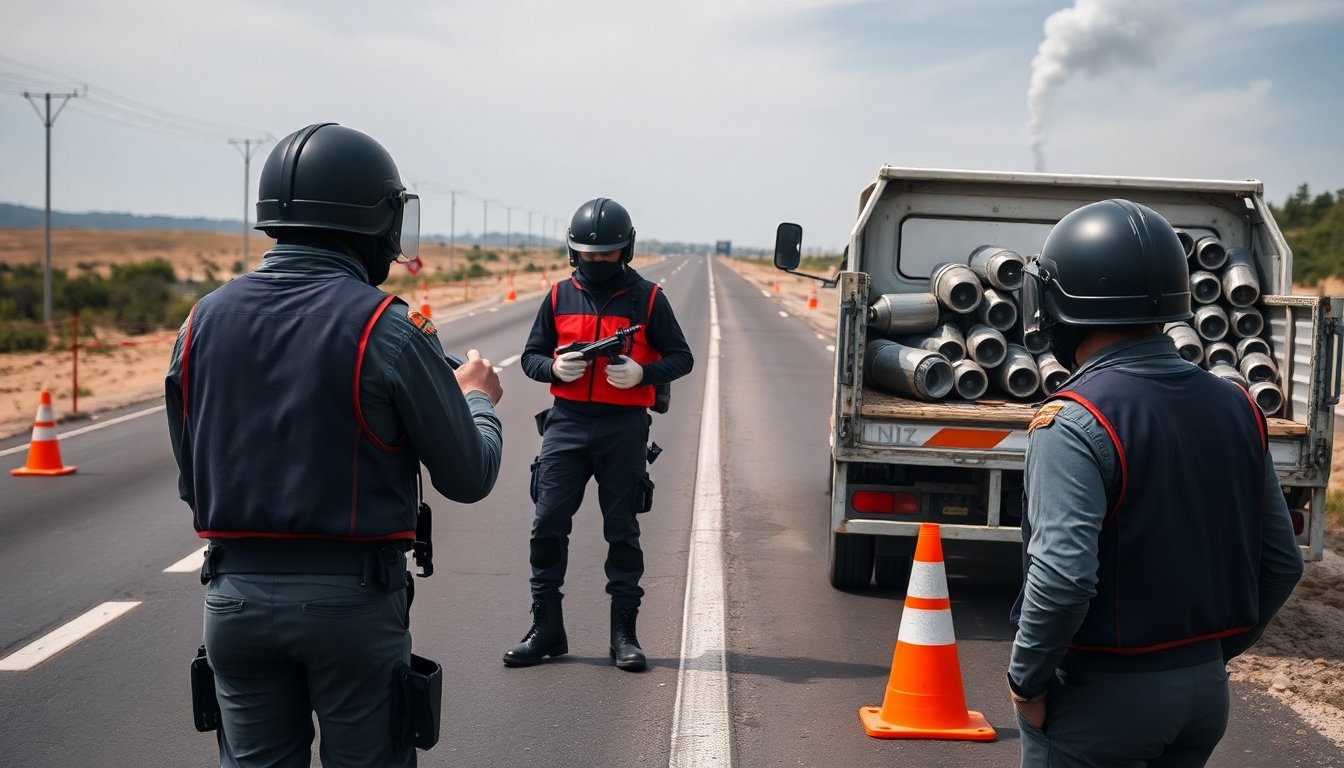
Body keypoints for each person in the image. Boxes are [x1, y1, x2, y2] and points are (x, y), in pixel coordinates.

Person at [165, 122, 504, 767]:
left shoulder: (200, 321)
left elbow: (193, 477)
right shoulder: (388, 328)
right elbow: (469, 475)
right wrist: (478, 400)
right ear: (377, 221)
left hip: (232, 601)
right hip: (351, 607)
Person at [1008, 198, 1304, 767]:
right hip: (1203, 695)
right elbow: (1282, 562)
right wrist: (1208, 658)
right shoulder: (1237, 405)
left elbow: (1064, 578)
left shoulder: (1074, 419)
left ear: (1058, 301)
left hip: (1103, 701)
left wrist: (1027, 683)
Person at [503, 197, 693, 671]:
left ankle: (623, 636)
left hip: (623, 429)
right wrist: (553, 366)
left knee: (622, 531)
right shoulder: (557, 295)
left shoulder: (648, 298)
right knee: (547, 526)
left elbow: (681, 357)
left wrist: (643, 374)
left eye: (607, 254)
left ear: (625, 250)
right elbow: (530, 358)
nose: (598, 261)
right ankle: (546, 629)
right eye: (589, 255)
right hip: (565, 424)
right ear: (573, 252)